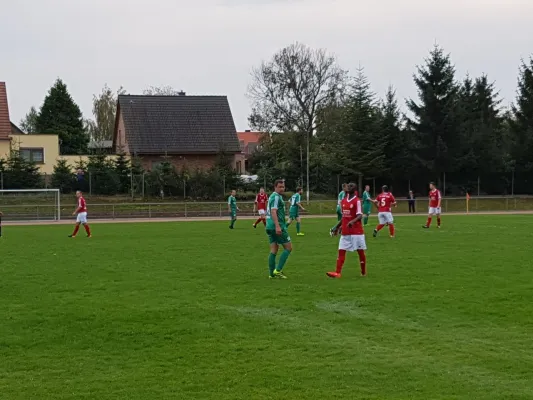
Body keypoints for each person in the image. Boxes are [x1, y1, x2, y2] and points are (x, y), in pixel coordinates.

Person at [326, 182, 367, 278]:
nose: (349, 186)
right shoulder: (343, 201)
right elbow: (344, 217)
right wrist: (336, 227)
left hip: (356, 232)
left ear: (355, 190)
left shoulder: (357, 201)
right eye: (349, 185)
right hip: (345, 231)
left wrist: (353, 221)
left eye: (352, 186)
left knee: (360, 252)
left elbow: (360, 215)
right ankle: (337, 272)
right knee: (341, 250)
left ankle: (363, 272)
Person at [266, 180, 292, 279]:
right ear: (275, 187)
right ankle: (278, 270)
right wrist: (277, 226)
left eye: (283, 187)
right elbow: (273, 211)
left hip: (269, 226)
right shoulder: (276, 197)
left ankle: (271, 274)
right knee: (288, 248)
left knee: (274, 249)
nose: (282, 189)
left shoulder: (273, 196)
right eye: (280, 187)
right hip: (276, 226)